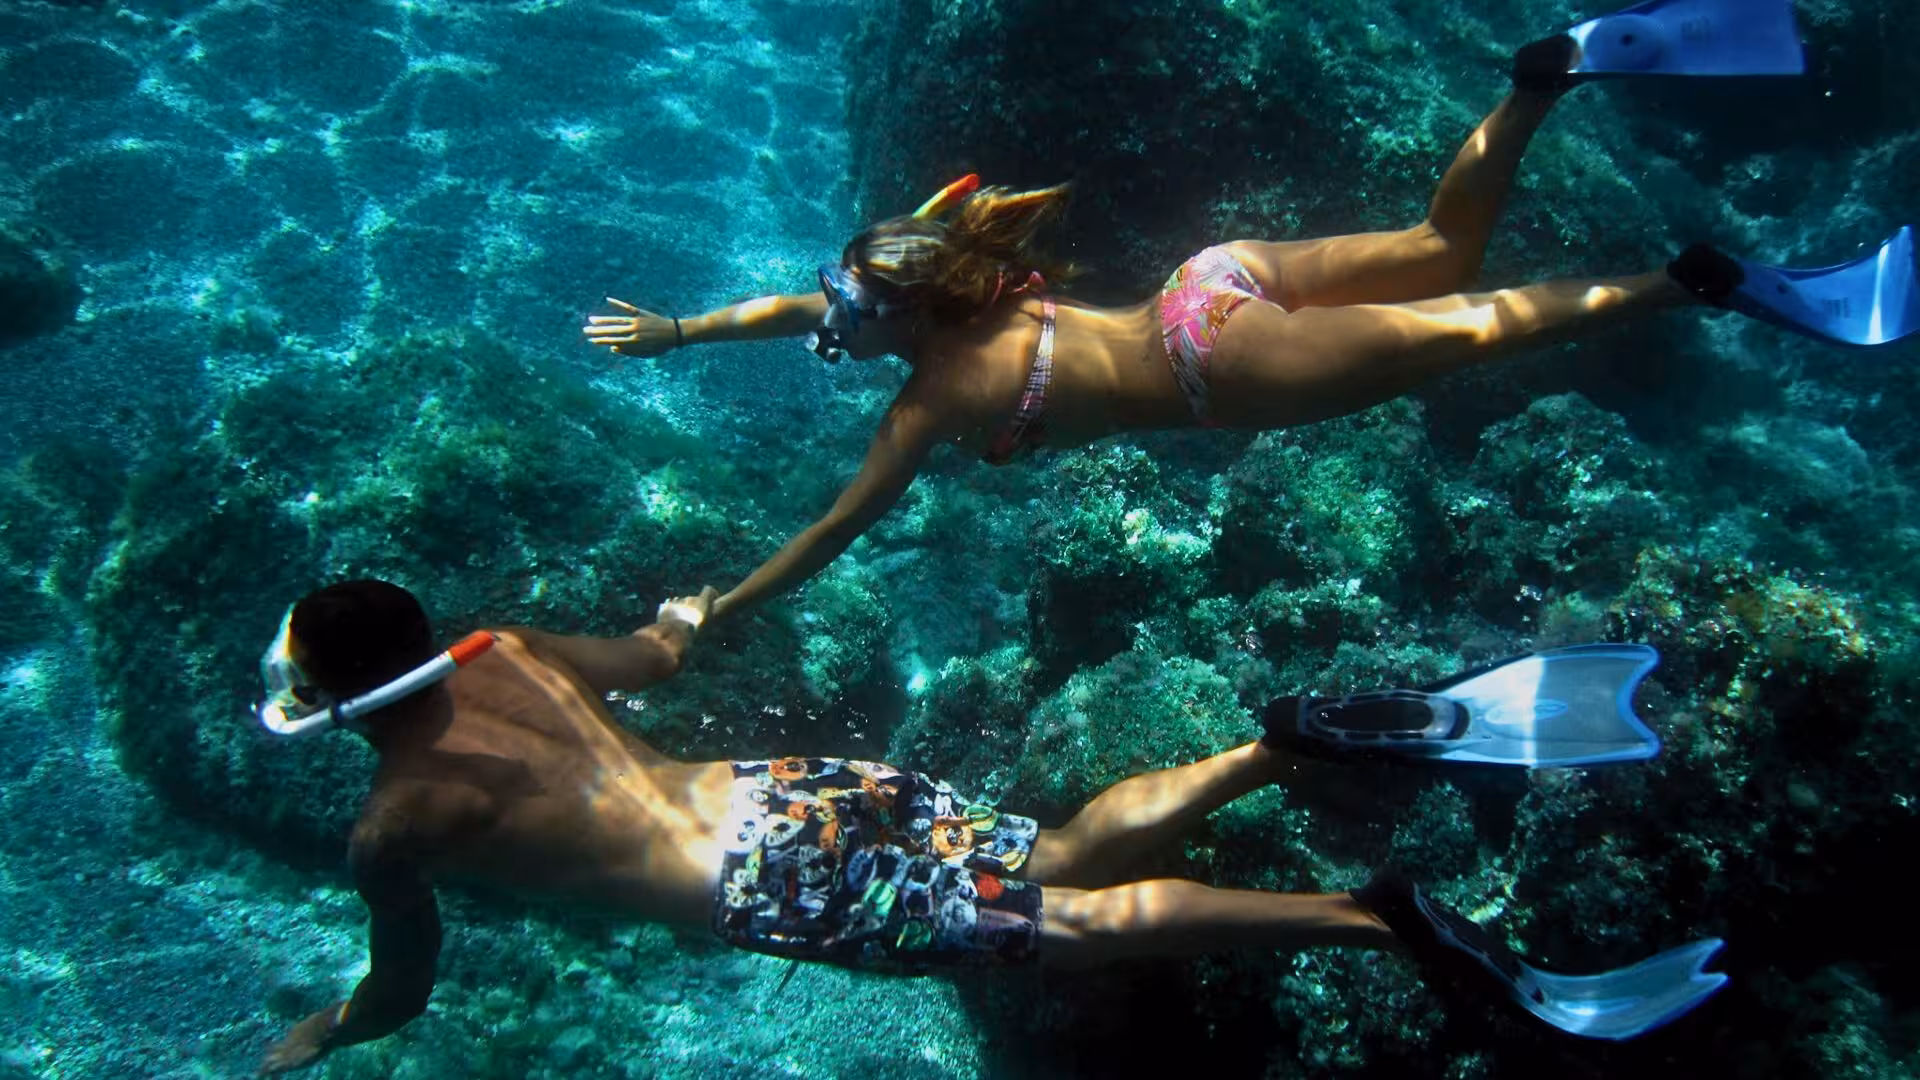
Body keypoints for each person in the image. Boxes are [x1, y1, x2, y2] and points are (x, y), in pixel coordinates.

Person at [584, 1, 1915, 626]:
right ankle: (1544, 74)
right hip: (1208, 280)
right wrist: (688, 333)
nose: (826, 326)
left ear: (893, 316)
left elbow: (828, 532)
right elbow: (801, 300)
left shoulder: (930, 403)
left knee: (1490, 323)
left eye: (840, 313)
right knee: (1440, 245)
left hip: (1228, 369)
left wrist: (718, 607)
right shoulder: (954, 280)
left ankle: (1696, 282)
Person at [256, 580, 1725, 1072]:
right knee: (1060, 853)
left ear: (332, 699)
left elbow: (402, 992)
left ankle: (1374, 920)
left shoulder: (392, 827)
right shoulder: (506, 649)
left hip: (760, 885)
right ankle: (1278, 745)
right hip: (794, 787)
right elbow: (654, 660)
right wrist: (670, 619)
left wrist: (331, 1030)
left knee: (1061, 933)